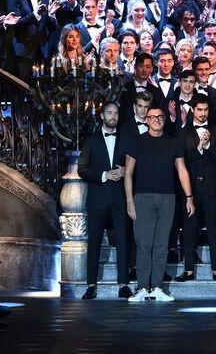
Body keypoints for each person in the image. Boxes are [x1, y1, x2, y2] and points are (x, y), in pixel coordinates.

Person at [124, 107, 195, 302]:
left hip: (168, 198)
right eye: (152, 117)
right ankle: (142, 288)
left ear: (164, 119)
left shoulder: (174, 144)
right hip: (143, 198)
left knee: (162, 244)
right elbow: (128, 173)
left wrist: (189, 197)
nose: (156, 120)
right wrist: (129, 200)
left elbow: (182, 171)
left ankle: (157, 287)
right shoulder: (136, 142)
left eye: (160, 116)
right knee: (144, 244)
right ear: (146, 120)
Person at [78, 102, 132, 299]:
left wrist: (126, 171)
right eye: (109, 113)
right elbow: (82, 169)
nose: (113, 116)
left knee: (123, 241)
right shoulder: (91, 140)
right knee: (94, 242)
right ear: (102, 116)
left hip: (120, 198)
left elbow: (136, 165)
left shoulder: (126, 139)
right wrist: (104, 175)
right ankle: (91, 285)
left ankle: (123, 284)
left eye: (116, 113)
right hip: (97, 199)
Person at [175, 94, 216, 282]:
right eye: (199, 110)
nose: (203, 113)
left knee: (214, 228)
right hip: (190, 189)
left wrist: (208, 146)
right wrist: (200, 146)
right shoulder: (183, 132)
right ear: (192, 110)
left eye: (206, 110)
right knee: (189, 229)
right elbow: (183, 161)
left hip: (212, 188)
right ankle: (188, 270)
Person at [7, 0, 61, 81]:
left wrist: (52, 17)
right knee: (22, 85)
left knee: (42, 86)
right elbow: (16, 25)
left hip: (42, 50)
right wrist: (35, 14)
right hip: (23, 51)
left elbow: (52, 28)